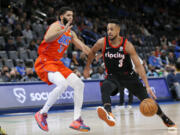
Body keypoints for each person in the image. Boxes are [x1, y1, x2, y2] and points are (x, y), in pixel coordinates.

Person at [84, 19, 176, 129]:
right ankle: (109, 113)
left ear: (118, 30)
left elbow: (138, 66)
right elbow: (92, 52)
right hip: (113, 77)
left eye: (112, 29)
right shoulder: (102, 42)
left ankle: (164, 117)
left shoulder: (127, 45)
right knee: (105, 86)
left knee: (148, 101)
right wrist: (87, 67)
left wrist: (147, 85)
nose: (109, 32)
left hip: (129, 76)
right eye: (107, 29)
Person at [34, 7, 90, 132]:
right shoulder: (56, 26)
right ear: (61, 17)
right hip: (45, 61)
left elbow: (82, 47)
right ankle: (42, 113)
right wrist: (62, 31)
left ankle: (76, 119)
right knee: (63, 84)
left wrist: (93, 53)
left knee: (79, 85)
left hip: (57, 63)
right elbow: (47, 38)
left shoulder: (71, 32)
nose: (71, 17)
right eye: (68, 15)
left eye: (72, 15)